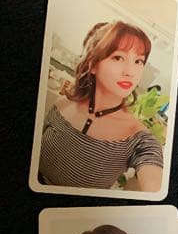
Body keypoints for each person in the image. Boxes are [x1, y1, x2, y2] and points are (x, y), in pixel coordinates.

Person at [38, 21, 164, 191]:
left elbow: (154, 182)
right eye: (118, 57)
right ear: (93, 64)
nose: (130, 72)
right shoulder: (63, 104)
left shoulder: (138, 138)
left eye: (138, 61)